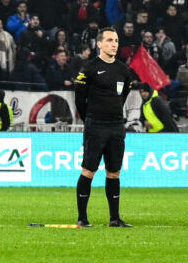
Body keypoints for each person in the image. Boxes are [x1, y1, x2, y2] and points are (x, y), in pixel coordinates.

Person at [72, 27, 134, 227]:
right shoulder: (88, 69)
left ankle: (114, 219)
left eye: (116, 40)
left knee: (114, 173)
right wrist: (90, 118)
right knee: (88, 171)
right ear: (99, 44)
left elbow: (122, 97)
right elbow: (79, 100)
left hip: (116, 126)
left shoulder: (124, 71)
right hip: (95, 126)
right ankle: (82, 218)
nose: (114, 44)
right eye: (109, 40)